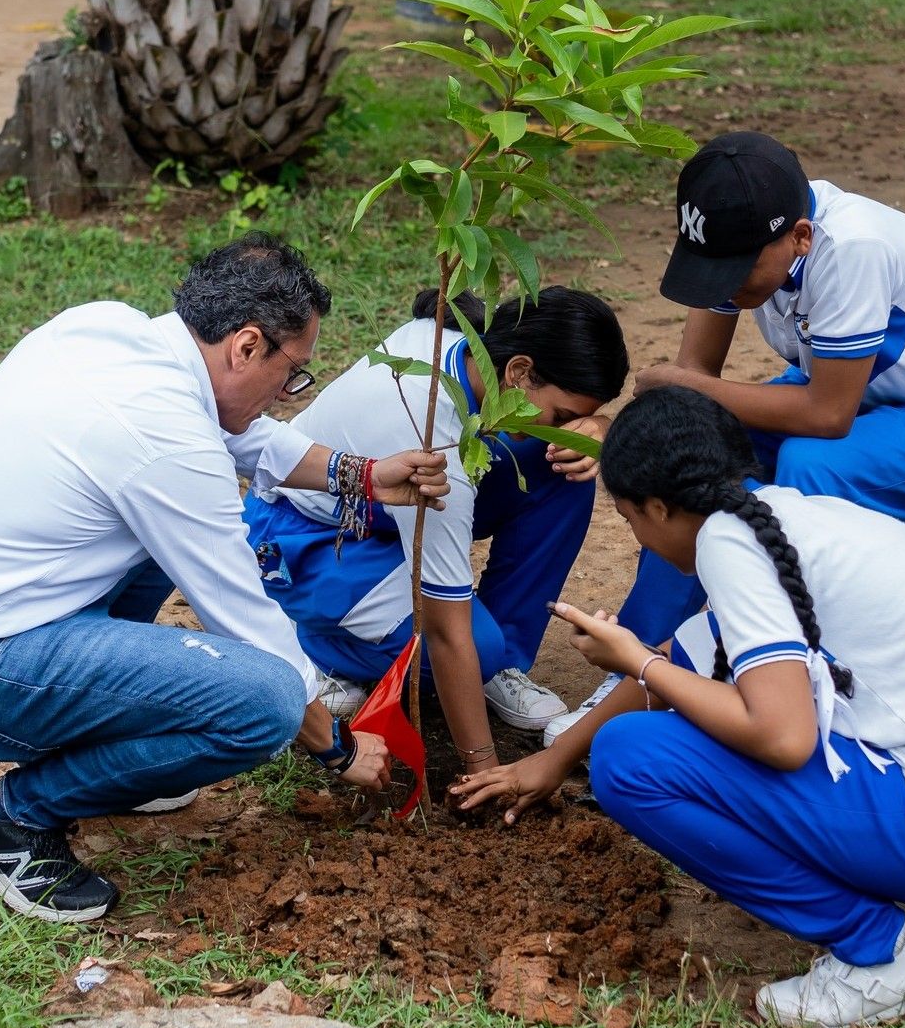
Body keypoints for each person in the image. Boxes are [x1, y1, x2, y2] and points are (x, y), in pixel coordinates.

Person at [0, 235, 450, 923]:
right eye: (293, 374)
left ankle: (116, 754)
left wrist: (362, 474)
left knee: (167, 572)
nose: (287, 394)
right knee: (264, 701)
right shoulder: (161, 436)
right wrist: (337, 745)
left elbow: (235, 435)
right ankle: (5, 817)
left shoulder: (107, 330)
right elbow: (253, 626)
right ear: (246, 346)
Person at [455, 387, 905, 1028]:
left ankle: (882, 951)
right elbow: (685, 658)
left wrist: (636, 661)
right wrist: (554, 757)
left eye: (631, 521)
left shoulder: (729, 545)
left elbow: (782, 738)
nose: (637, 535)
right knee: (660, 723)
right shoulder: (780, 518)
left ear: (657, 508)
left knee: (632, 759)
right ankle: (904, 883)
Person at [546, 130, 905, 743]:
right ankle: (641, 663)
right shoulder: (743, 240)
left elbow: (827, 416)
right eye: (709, 269)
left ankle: (774, 674)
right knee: (689, 470)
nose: (722, 286)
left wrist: (682, 387)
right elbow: (694, 381)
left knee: (810, 468)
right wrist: (633, 416)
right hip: (853, 397)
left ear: (800, 237)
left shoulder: (853, 248)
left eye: (734, 272)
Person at [243, 286, 628, 773]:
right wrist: (482, 765)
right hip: (308, 534)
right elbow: (446, 631)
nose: (565, 425)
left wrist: (595, 426)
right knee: (467, 643)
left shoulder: (471, 347)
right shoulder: (433, 444)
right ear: (520, 372)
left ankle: (500, 660)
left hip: (385, 507)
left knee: (564, 465)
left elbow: (570, 428)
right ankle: (322, 648)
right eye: (564, 415)